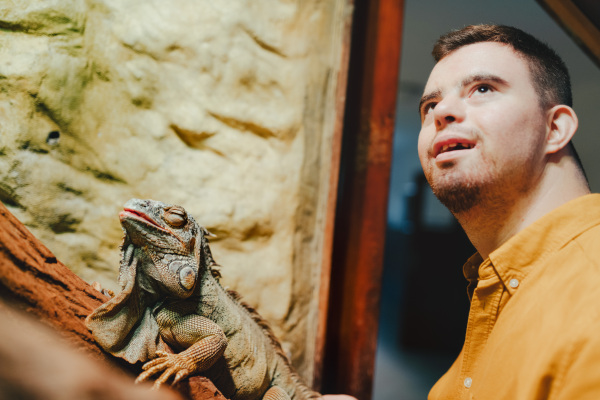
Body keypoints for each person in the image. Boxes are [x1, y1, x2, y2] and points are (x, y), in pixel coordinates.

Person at [418, 24, 600, 399]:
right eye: (429, 106)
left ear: (555, 128)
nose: (442, 111)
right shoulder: (501, 284)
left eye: (483, 89)